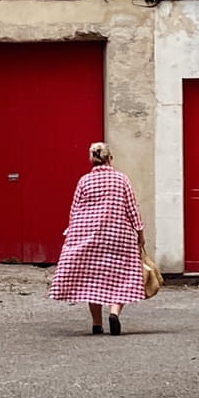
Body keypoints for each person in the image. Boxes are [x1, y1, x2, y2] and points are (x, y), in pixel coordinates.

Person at [49, 142, 146, 336]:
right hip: (118, 233)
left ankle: (96, 324)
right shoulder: (121, 179)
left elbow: (75, 210)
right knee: (122, 275)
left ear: (91, 159)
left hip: (88, 233)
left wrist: (72, 235)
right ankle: (114, 313)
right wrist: (140, 233)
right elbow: (131, 207)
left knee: (92, 278)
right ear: (110, 158)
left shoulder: (84, 181)